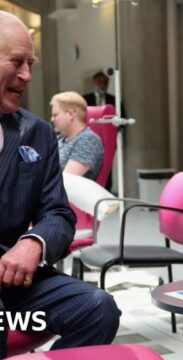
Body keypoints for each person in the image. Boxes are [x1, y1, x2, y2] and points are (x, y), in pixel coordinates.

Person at [0, 11, 120, 358]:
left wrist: (34, 243)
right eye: (17, 62)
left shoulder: (36, 134)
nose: (27, 75)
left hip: (16, 285)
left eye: (31, 64)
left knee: (98, 306)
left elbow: (57, 212)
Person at [50, 91, 104, 180]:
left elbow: (66, 180)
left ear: (71, 114)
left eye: (55, 115)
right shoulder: (59, 139)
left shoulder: (88, 140)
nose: (52, 119)